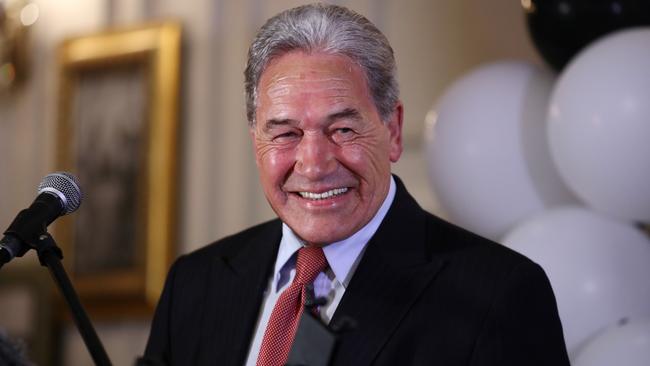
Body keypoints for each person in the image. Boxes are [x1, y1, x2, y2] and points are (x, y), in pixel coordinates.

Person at [143, 3, 570, 365]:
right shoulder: (194, 285)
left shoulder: (499, 295)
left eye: (343, 130)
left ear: (394, 131)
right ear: (256, 141)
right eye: (286, 134)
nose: (313, 164)